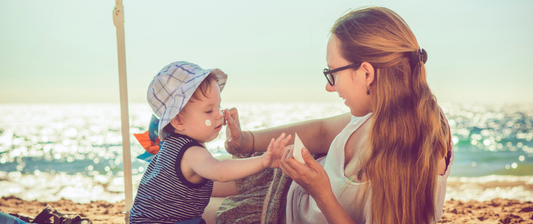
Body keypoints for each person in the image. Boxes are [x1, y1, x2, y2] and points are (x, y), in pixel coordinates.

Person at [209, 6, 454, 224]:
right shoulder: (384, 111)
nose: (330, 87)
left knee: (191, 205)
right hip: (282, 182)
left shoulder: (413, 150)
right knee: (194, 182)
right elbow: (323, 132)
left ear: (366, 73)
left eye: (333, 73)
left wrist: (321, 192)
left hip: (279, 211)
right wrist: (247, 140)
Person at [129, 61, 291, 224]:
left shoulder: (170, 146)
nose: (219, 115)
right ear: (178, 120)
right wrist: (263, 161)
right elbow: (220, 171)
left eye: (218, 106)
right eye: (208, 110)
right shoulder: (191, 152)